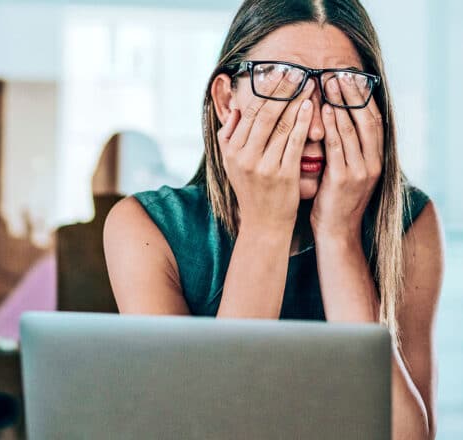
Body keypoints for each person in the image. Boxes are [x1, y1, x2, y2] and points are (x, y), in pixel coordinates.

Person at [102, 1, 444, 438]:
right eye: (282, 83)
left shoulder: (411, 224)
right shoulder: (148, 229)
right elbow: (206, 429)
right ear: (227, 100)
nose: (316, 127)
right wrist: (266, 226)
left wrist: (339, 238)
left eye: (343, 90)